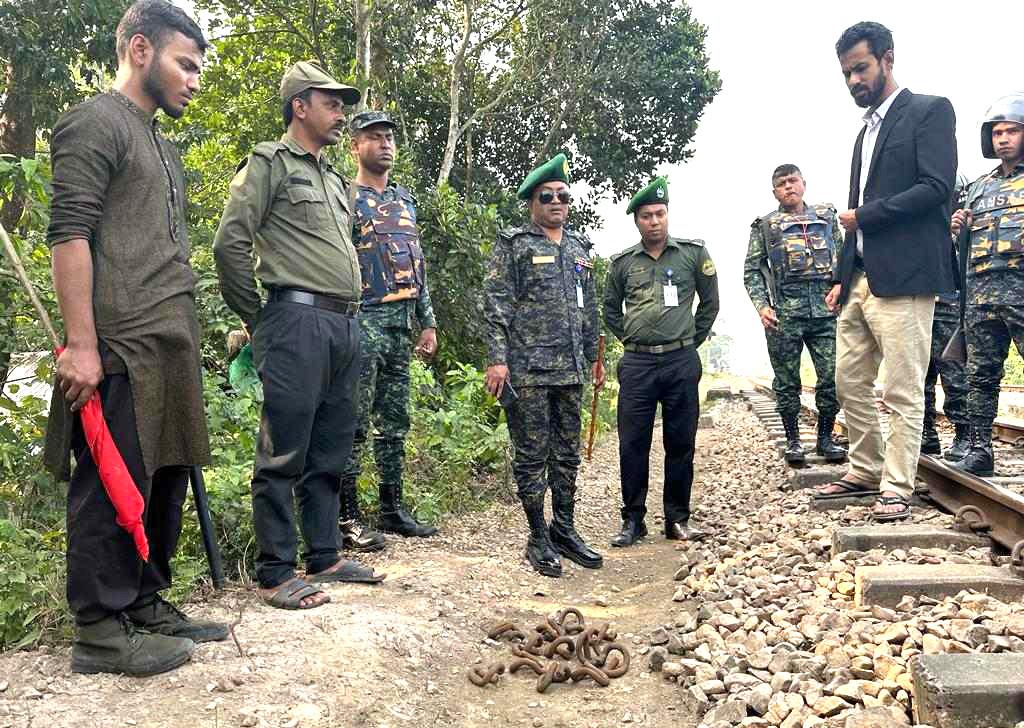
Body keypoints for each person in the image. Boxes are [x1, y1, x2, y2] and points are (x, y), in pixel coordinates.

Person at [43, 0, 227, 676]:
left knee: (163, 474)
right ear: (141, 51)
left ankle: (144, 601)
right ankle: (98, 627)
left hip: (168, 341)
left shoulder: (159, 140)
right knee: (109, 481)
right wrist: (82, 344)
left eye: (199, 68)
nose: (195, 78)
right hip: (119, 339)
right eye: (187, 63)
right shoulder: (95, 123)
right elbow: (69, 234)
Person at [214, 61, 385, 610]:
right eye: (331, 104)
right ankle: (276, 570)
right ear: (300, 106)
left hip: (343, 323)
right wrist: (258, 320)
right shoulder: (268, 164)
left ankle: (325, 555)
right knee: (283, 449)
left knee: (332, 445)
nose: (341, 114)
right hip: (295, 320)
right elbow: (230, 245)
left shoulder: (334, 179)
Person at [813, 22, 957, 522]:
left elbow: (937, 187)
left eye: (861, 68)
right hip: (859, 278)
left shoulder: (929, 111)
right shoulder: (863, 135)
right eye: (847, 73)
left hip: (907, 276)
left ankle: (897, 485)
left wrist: (867, 217)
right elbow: (856, 211)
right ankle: (864, 467)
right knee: (847, 380)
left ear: (887, 59)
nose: (854, 80)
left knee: (901, 386)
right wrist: (839, 273)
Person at [483, 153, 605, 578]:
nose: (557, 202)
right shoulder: (514, 244)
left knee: (567, 454)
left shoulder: (578, 248)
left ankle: (565, 529)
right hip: (529, 370)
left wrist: (594, 359)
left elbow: (588, 308)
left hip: (571, 370)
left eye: (563, 196)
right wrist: (497, 360)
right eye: (547, 196)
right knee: (532, 456)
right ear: (532, 202)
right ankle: (538, 536)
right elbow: (496, 306)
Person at [339, 109, 438, 551]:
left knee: (395, 421)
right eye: (375, 137)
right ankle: (346, 517)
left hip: (401, 325)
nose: (385, 145)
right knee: (354, 422)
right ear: (355, 145)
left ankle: (392, 508)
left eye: (390, 138)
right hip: (362, 320)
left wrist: (427, 320)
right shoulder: (343, 198)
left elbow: (418, 266)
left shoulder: (405, 202)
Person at [603, 177, 719, 547]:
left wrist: (689, 340)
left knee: (680, 442)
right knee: (632, 443)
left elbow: (710, 303)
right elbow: (610, 309)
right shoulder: (622, 263)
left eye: (659, 214)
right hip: (637, 364)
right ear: (637, 221)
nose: (654, 221)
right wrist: (632, 338)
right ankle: (633, 521)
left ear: (667, 215)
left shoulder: (692, 254)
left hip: (680, 362)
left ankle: (677, 519)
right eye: (647, 216)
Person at [744, 164, 846, 466]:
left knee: (831, 378)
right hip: (784, 315)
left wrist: (840, 287)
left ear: (804, 183)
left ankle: (825, 440)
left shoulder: (826, 218)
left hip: (825, 313)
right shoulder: (765, 226)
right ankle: (793, 442)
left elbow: (844, 258)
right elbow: (751, 270)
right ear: (774, 191)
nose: (789, 187)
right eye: (781, 184)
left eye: (793, 181)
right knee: (787, 382)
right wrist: (762, 306)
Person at [950, 94, 1024, 476]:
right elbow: (960, 252)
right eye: (997, 132)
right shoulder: (978, 188)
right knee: (980, 376)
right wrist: (957, 231)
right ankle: (980, 450)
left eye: (1012, 130)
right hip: (980, 297)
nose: (1004, 139)